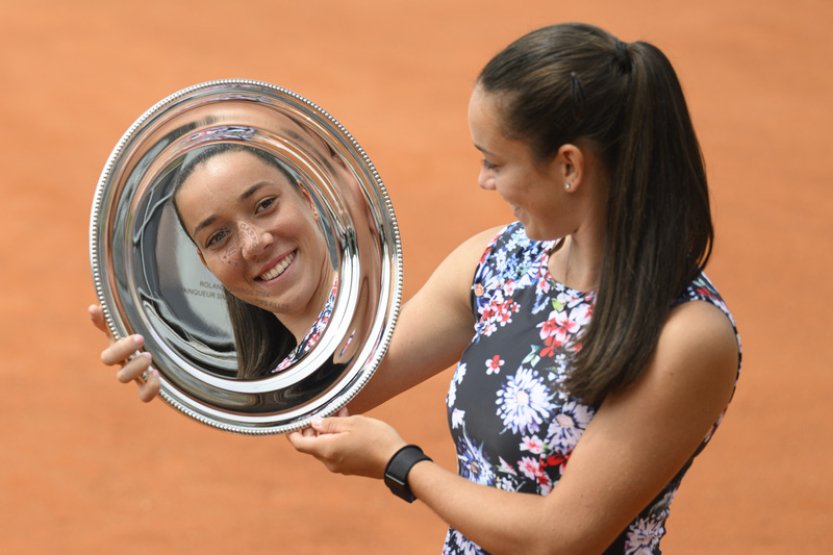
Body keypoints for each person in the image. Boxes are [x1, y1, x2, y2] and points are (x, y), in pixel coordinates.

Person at [93, 22, 741, 553]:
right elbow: (336, 390)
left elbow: (560, 538)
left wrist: (401, 464)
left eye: (495, 161)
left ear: (568, 166)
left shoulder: (686, 337)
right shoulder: (496, 261)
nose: (484, 182)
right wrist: (178, 362)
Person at [90, 143, 335, 382]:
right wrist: (170, 380)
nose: (253, 243)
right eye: (218, 237)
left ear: (307, 200)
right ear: (206, 264)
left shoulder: (360, 314)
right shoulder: (277, 388)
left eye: (264, 204)